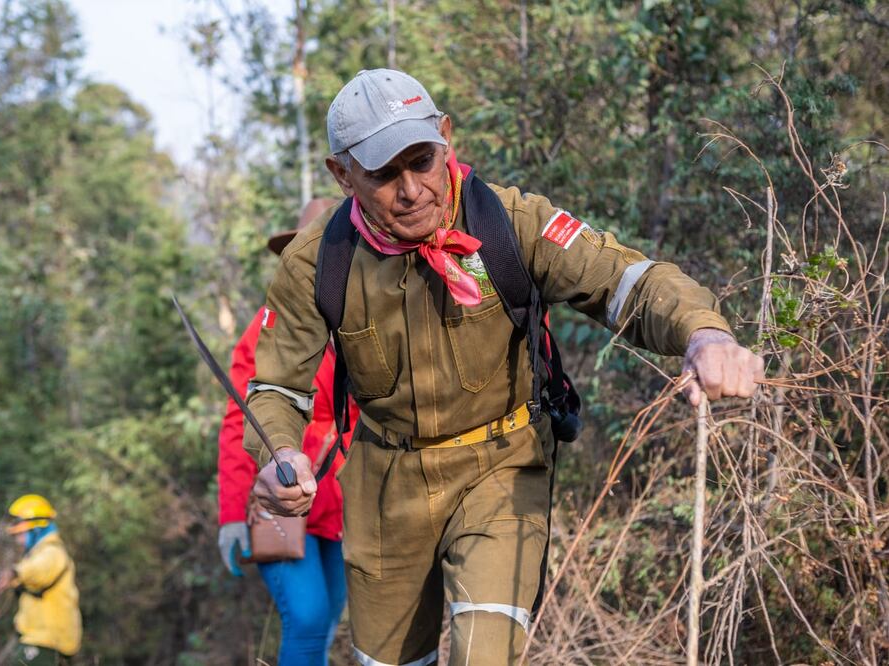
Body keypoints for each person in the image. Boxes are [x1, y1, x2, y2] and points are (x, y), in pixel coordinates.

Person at [243, 69, 765, 665]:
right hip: (384, 484)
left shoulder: (510, 222)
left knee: (482, 656)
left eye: (422, 161)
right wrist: (280, 454)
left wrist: (703, 334)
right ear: (343, 175)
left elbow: (625, 281)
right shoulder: (316, 262)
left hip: (500, 466)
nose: (412, 190)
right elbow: (277, 387)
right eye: (385, 175)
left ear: (445, 138)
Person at [217, 198, 358, 665]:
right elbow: (242, 421)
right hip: (283, 498)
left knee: (332, 614)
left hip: (343, 504)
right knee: (309, 616)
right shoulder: (267, 330)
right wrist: (232, 514)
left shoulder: (360, 325)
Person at [0, 493, 82, 665]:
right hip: (42, 640)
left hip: (48, 641)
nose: (18, 541)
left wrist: (15, 573)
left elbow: (39, 569)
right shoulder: (38, 553)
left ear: (37, 528)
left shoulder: (53, 552)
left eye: (21, 534)